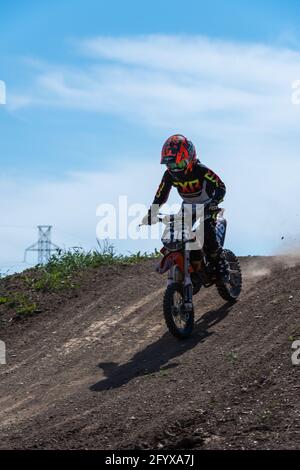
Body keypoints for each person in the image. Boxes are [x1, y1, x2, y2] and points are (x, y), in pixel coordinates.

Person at [142, 134, 229, 281]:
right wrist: (152, 212)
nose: (175, 169)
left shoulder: (201, 170)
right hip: (187, 207)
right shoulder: (168, 176)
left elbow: (221, 186)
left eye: (179, 165)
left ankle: (221, 264)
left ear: (190, 158)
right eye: (171, 165)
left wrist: (214, 203)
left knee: (207, 229)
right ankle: (192, 264)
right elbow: (161, 194)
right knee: (175, 233)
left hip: (208, 205)